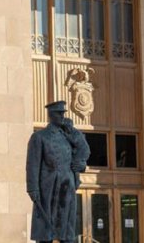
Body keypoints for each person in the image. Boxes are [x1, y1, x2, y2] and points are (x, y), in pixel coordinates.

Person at [26, 100, 90, 243]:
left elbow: (83, 150)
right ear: (51, 115)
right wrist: (32, 188)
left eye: (63, 114)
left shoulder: (68, 136)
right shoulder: (39, 137)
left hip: (67, 185)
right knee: (45, 229)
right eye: (59, 113)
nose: (62, 117)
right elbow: (32, 165)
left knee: (67, 228)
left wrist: (81, 165)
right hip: (48, 187)